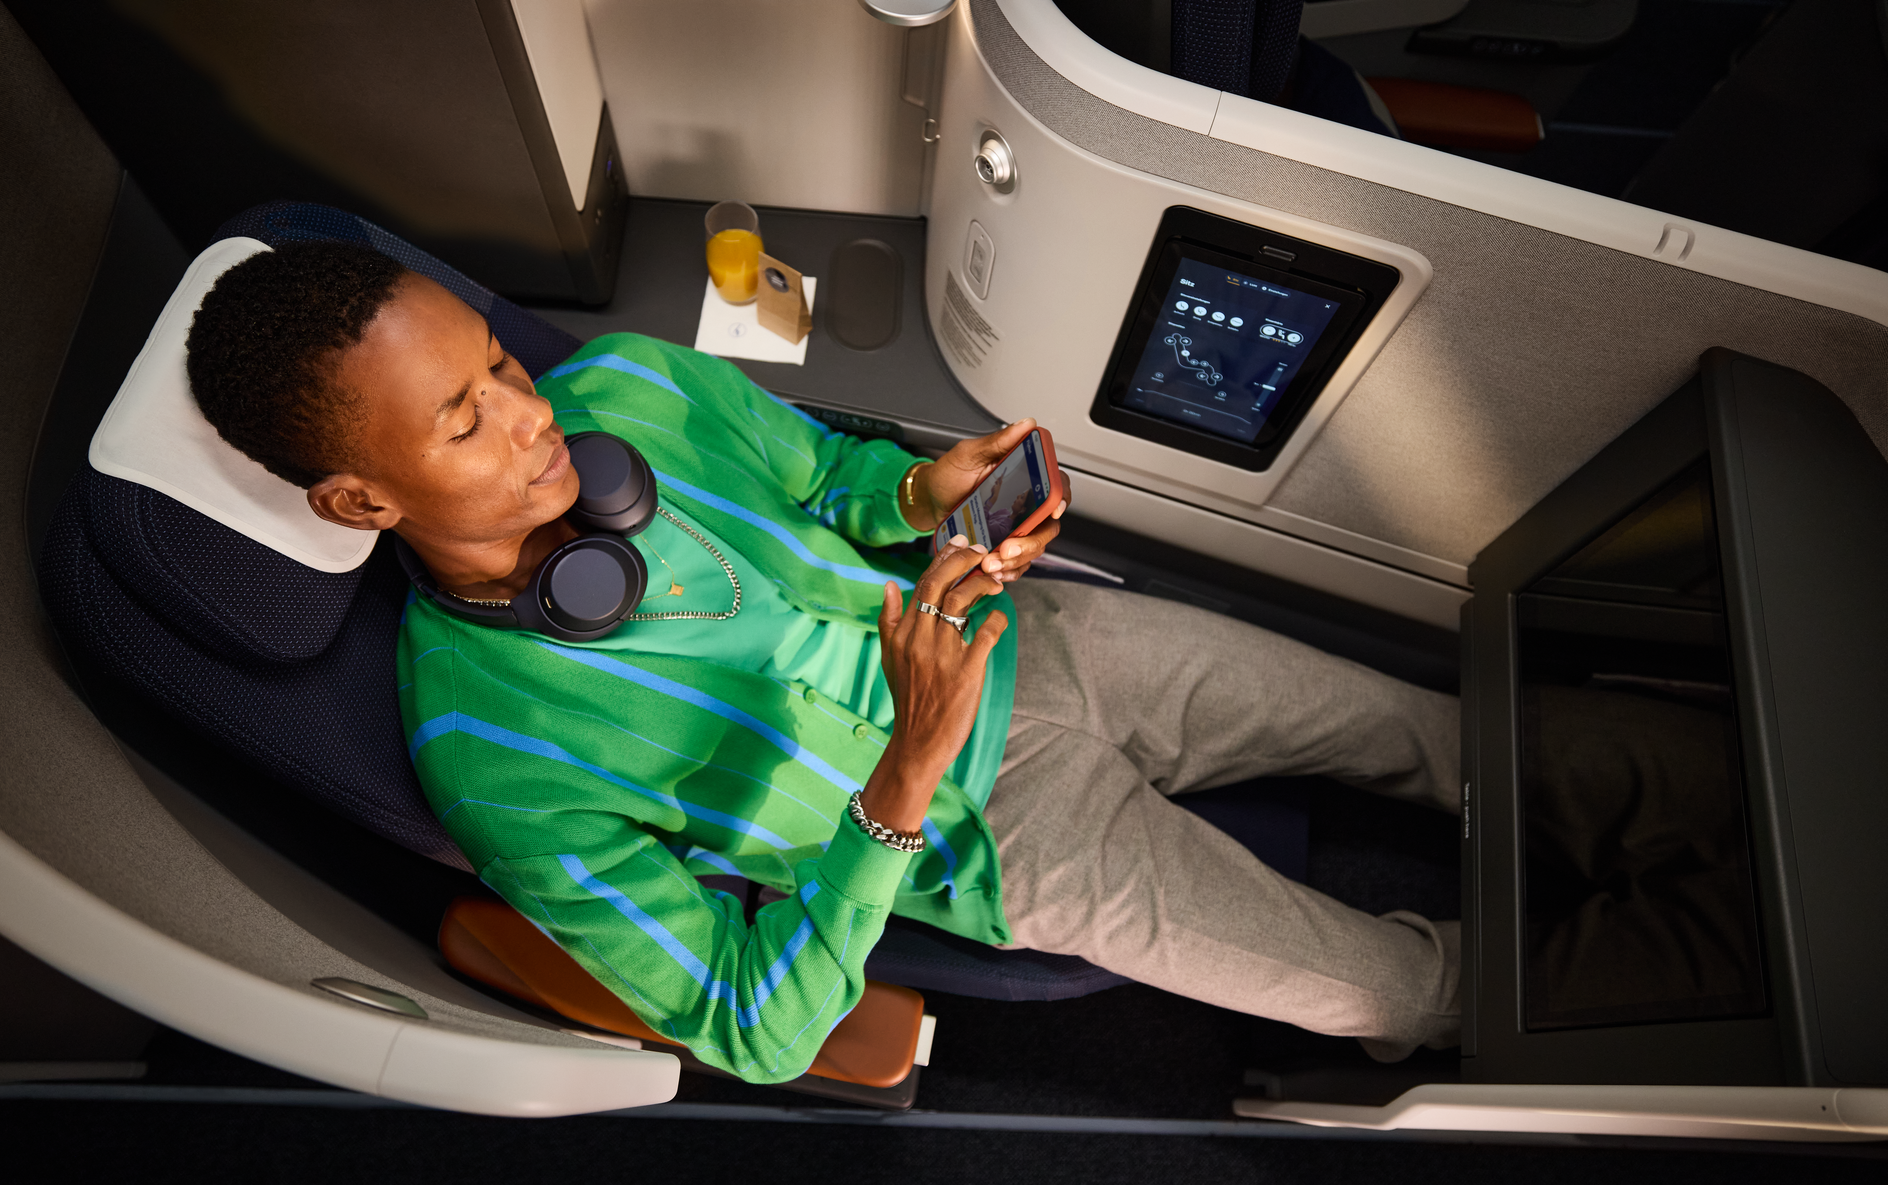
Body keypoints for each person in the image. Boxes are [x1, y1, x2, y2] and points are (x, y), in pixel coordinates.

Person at [186, 242, 1462, 1084]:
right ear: (360, 505)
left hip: (1037, 636)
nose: (534, 417)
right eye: (467, 421)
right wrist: (903, 776)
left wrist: (924, 489)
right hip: (997, 843)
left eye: (503, 364)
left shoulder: (631, 385)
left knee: (1438, 734)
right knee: (1405, 992)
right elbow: (757, 1027)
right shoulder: (495, 767)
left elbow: (835, 479)